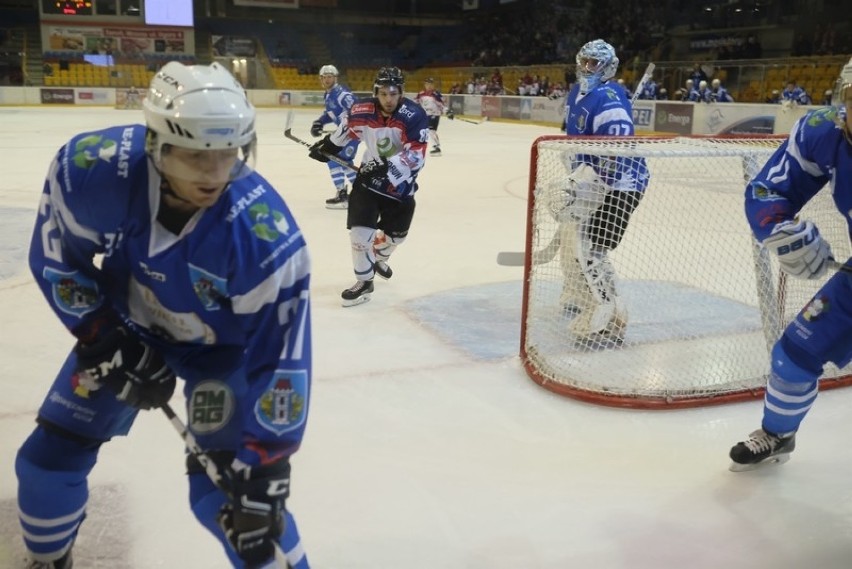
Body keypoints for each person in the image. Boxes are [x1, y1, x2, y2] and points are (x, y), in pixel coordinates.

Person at [16, 61, 312, 569]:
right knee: (47, 464)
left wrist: (264, 469)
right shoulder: (92, 169)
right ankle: (48, 560)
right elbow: (56, 258)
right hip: (127, 324)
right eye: (197, 156)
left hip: (222, 355)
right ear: (158, 143)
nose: (215, 174)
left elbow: (282, 359)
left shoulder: (265, 239)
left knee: (233, 504)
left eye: (230, 155)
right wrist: (102, 337)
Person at [728, 58, 852, 471]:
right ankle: (779, 435)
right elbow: (769, 189)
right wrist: (777, 229)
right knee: (793, 355)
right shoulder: (825, 131)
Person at [549, 39, 650, 343]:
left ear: (607, 68)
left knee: (591, 248)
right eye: (584, 61)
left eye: (594, 63)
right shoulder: (578, 93)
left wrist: (586, 188)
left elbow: (614, 158)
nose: (586, 68)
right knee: (575, 242)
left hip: (620, 184)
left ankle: (610, 315)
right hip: (593, 179)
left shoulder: (610, 100)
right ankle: (583, 295)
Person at [307, 66, 429, 307]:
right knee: (360, 233)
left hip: (400, 186)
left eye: (394, 93)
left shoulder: (414, 115)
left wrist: (386, 167)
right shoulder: (361, 110)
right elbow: (345, 131)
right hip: (367, 182)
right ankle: (364, 281)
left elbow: (417, 154)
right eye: (383, 93)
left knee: (397, 237)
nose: (389, 99)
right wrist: (327, 148)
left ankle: (380, 255)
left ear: (401, 93)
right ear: (376, 92)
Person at [310, 64, 360, 209]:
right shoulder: (328, 94)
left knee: (332, 158)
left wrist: (350, 131)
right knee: (345, 162)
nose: (327, 79)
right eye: (324, 77)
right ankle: (360, 193)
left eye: (330, 77)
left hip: (351, 134)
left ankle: (343, 196)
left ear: (335, 78)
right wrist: (319, 122)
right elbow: (330, 114)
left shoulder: (343, 95)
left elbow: (357, 111)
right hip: (344, 134)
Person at [414, 77, 453, 156]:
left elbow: (442, 105)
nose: (429, 86)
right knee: (424, 131)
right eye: (427, 84)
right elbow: (415, 103)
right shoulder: (421, 94)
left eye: (430, 84)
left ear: (433, 85)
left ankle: (436, 148)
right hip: (425, 115)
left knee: (431, 130)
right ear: (425, 85)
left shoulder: (436, 94)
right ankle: (417, 147)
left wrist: (447, 111)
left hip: (434, 114)